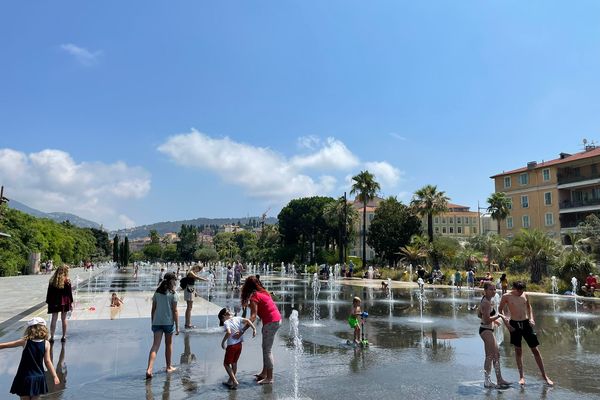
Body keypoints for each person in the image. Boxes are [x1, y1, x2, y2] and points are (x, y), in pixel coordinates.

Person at [499, 281, 553, 386]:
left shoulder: (525, 295)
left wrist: (531, 318)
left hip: (526, 323)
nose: (520, 292)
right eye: (518, 290)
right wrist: (507, 324)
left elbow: (529, 307)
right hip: (514, 324)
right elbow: (500, 310)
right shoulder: (506, 296)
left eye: (522, 290)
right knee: (518, 351)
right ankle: (522, 377)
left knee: (535, 350)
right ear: (513, 288)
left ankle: (544, 376)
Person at [0, 317, 59, 399]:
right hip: (38, 377)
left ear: (29, 329)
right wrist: (54, 375)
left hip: (24, 377)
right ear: (44, 329)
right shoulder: (46, 343)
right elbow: (48, 361)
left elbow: (6, 345)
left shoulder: (25, 341)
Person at [240, 275, 282, 384]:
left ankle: (270, 378)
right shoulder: (263, 293)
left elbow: (253, 317)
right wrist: (250, 305)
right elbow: (263, 306)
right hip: (276, 320)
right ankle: (264, 373)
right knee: (265, 348)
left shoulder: (255, 296)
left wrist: (242, 330)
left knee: (267, 350)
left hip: (271, 323)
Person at [146, 272, 179, 379]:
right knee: (168, 344)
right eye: (175, 280)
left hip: (157, 322)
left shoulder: (157, 293)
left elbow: (153, 309)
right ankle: (169, 366)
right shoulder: (173, 294)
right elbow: (175, 311)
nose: (175, 282)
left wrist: (153, 322)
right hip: (168, 323)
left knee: (155, 346)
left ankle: (149, 369)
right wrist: (177, 326)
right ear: (172, 281)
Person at [479, 282, 511, 388]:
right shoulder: (486, 302)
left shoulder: (487, 300)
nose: (494, 291)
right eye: (491, 289)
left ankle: (499, 379)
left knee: (496, 355)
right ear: (485, 290)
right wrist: (499, 316)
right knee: (490, 356)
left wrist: (493, 321)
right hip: (486, 331)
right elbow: (487, 319)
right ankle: (487, 381)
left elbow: (480, 315)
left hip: (487, 329)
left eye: (494, 289)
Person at [218, 307, 256, 389]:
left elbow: (228, 332)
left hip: (231, 346)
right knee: (234, 363)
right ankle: (230, 381)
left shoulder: (226, 322)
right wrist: (254, 328)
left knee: (226, 364)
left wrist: (223, 341)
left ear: (223, 317)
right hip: (239, 345)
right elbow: (249, 321)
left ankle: (234, 382)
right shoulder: (237, 318)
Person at [46, 265, 73, 343]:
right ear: (65, 271)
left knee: (54, 319)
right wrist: (71, 303)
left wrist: (48, 302)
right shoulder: (67, 280)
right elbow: (69, 293)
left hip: (54, 302)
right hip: (64, 302)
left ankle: (52, 337)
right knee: (64, 319)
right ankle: (63, 336)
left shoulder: (52, 280)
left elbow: (49, 293)